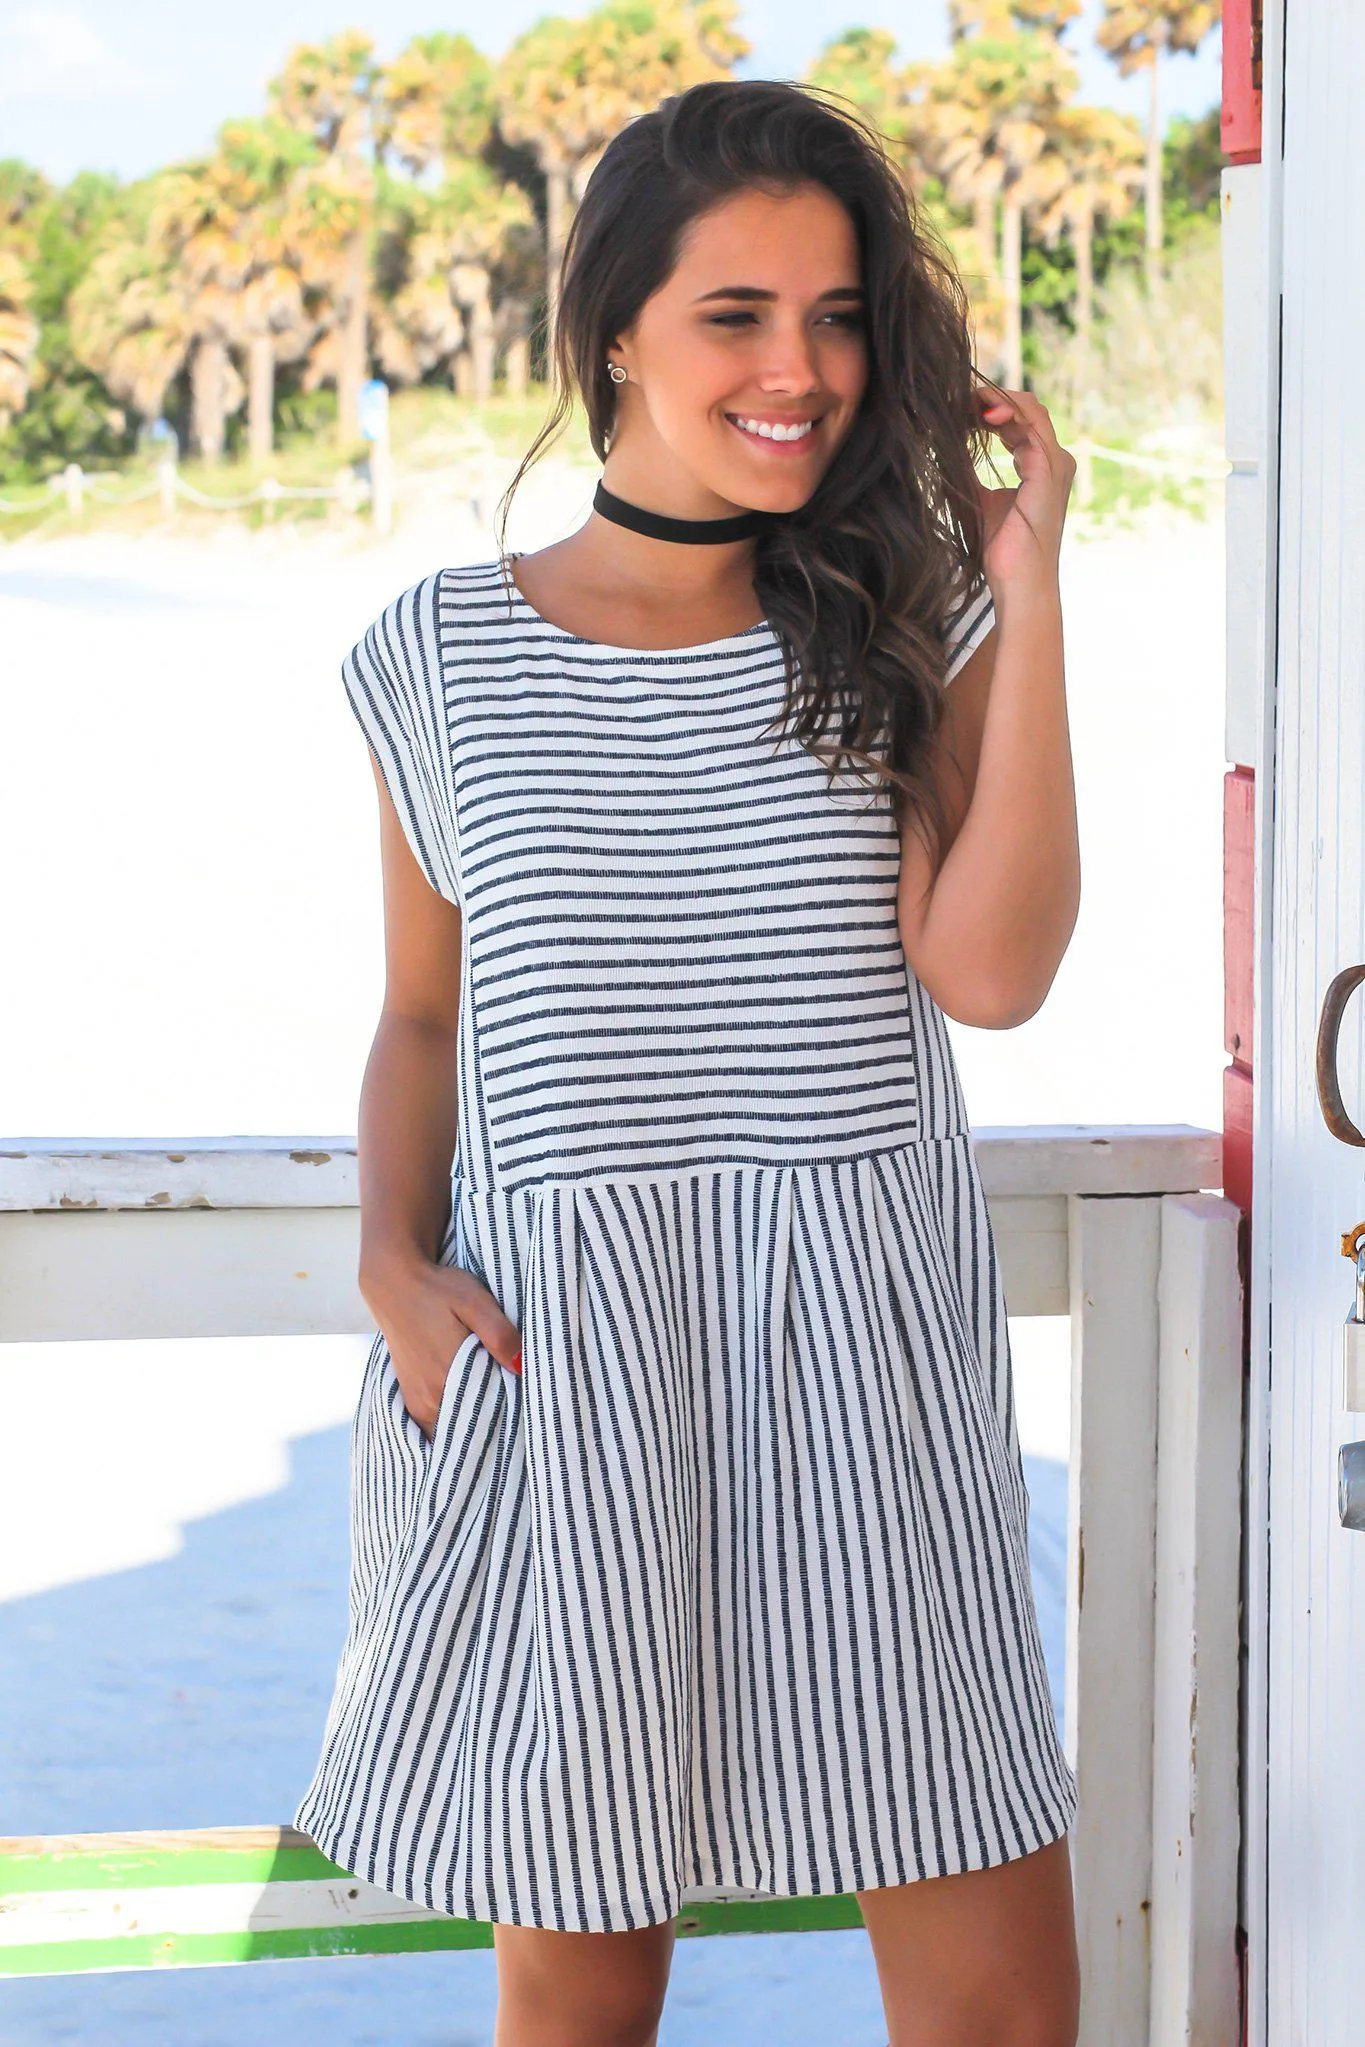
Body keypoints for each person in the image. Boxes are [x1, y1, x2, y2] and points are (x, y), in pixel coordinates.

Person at [295, 76, 1082, 2047]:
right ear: (615, 328)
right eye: (737, 312)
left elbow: (988, 976)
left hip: (862, 1355)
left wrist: (1033, 579)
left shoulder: (905, 609)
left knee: (989, 1983)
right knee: (577, 1985)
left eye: (834, 317)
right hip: (565, 1358)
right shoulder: (437, 654)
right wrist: (388, 1261)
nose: (798, 368)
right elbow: (418, 1015)